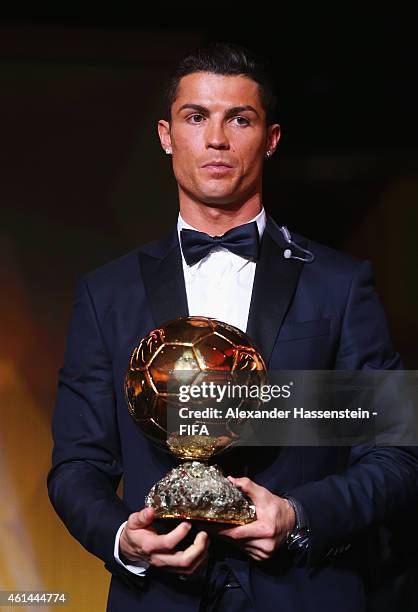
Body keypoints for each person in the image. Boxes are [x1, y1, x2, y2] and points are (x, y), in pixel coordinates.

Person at [47, 42, 418, 611]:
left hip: (304, 592)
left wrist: (298, 515)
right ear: (167, 135)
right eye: (196, 117)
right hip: (159, 597)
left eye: (238, 119)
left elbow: (396, 453)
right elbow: (78, 464)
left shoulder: (340, 285)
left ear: (270, 139)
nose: (216, 139)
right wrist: (125, 539)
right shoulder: (106, 293)